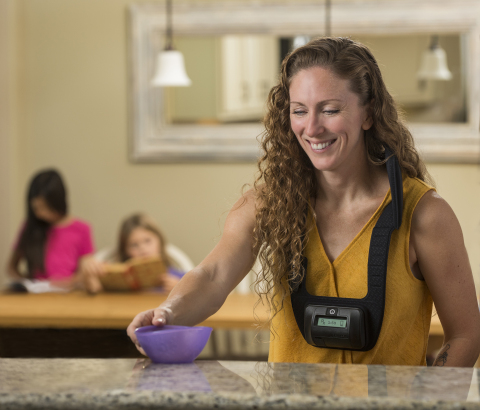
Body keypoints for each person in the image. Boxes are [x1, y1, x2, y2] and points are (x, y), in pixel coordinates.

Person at [127, 37, 480, 367]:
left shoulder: (425, 215)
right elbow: (213, 275)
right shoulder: (265, 204)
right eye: (299, 110)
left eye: (329, 110)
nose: (312, 128)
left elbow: (466, 334)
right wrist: (167, 312)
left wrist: (428, 399)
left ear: (369, 114)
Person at [6, 169, 95, 290]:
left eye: (45, 207)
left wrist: (69, 282)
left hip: (68, 295)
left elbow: (86, 271)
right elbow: (11, 267)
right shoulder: (30, 227)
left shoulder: (81, 229)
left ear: (58, 203)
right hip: (36, 297)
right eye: (36, 208)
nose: (41, 213)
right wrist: (26, 283)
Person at [82, 213, 184, 294]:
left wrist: (181, 292)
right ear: (125, 251)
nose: (142, 249)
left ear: (160, 241)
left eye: (147, 241)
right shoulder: (117, 283)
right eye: (134, 245)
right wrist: (90, 278)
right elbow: (99, 298)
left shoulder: (180, 279)